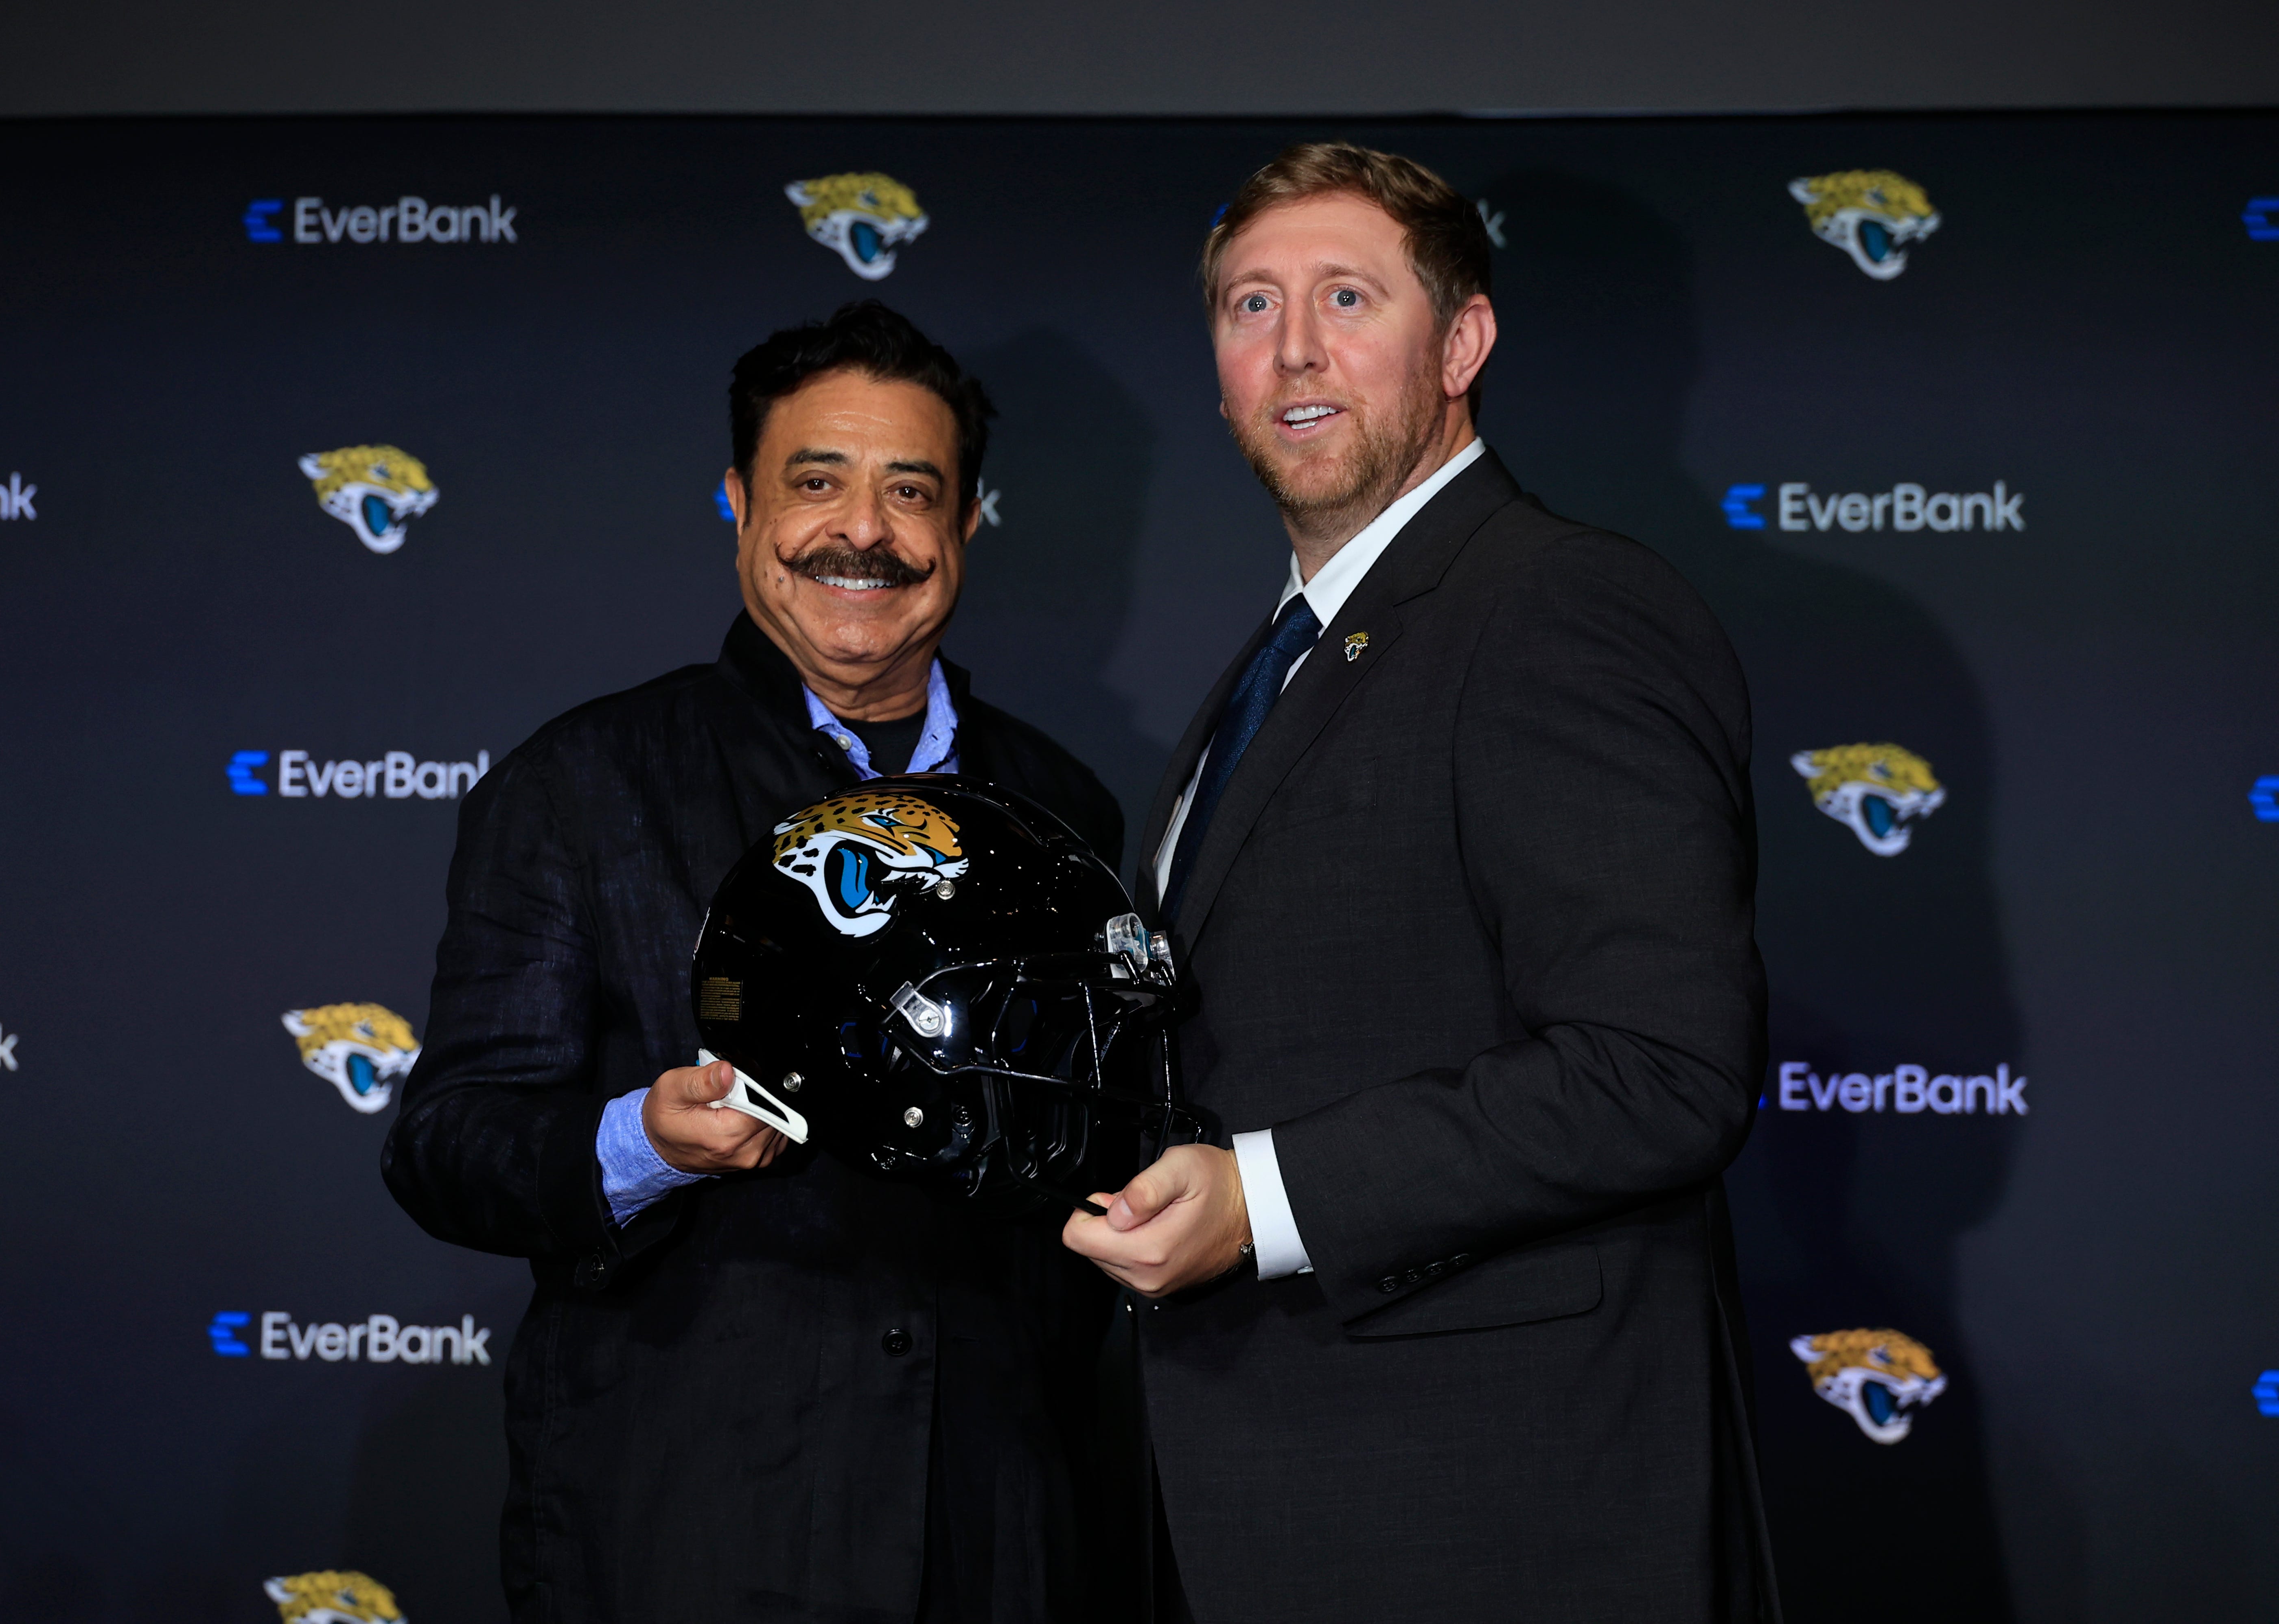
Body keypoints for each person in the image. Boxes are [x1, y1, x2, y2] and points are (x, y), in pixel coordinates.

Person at [1062, 142, 1779, 1622]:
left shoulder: (1559, 606)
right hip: (1269, 1498)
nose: (1294, 347)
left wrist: (1262, 1199)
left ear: (1462, 344)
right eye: (1251, 304)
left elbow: (1663, 1069)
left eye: (1346, 296)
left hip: (1498, 1518)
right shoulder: (1286, 658)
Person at [383, 300, 1123, 1623]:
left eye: (912, 491)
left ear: (966, 523)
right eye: (816, 482)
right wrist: (645, 1143)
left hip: (998, 1530)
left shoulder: (1064, 810)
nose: (864, 531)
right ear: (739, 504)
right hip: (691, 1531)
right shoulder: (583, 784)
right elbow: (448, 1143)